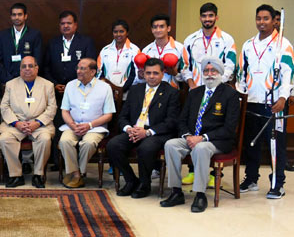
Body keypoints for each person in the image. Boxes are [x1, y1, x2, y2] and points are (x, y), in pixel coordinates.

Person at [161, 56, 239, 213]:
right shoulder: (195, 93)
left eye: (213, 70)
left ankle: (200, 195)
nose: (209, 74)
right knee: (170, 145)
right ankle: (176, 192)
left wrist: (202, 138)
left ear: (220, 73)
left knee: (201, 148)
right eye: (206, 71)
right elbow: (182, 120)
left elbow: (229, 128)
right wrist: (188, 136)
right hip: (192, 137)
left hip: (216, 140)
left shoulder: (230, 95)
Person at [236, 4, 293, 199]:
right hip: (252, 101)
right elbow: (242, 74)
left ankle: (278, 183)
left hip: (274, 103)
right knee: (251, 143)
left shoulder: (283, 45)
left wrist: (283, 98)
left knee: (275, 144)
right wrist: (240, 96)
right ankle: (251, 178)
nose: (261, 22)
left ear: (274, 20)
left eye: (266, 18)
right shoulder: (248, 45)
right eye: (258, 18)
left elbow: (288, 74)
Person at [179, 2, 237, 186]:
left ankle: (211, 174)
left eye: (211, 16)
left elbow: (231, 64)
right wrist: (191, 84)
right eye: (204, 16)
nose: (207, 19)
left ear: (216, 17)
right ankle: (192, 171)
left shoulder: (227, 39)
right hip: (196, 92)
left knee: (212, 127)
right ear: (200, 18)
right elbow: (184, 65)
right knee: (194, 126)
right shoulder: (191, 39)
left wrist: (219, 85)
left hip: (217, 91)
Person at [107, 58, 179, 198]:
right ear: (143, 74)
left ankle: (144, 185)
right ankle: (131, 180)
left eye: (155, 73)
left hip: (156, 132)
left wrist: (147, 132)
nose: (151, 77)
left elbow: (171, 121)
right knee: (113, 145)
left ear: (163, 74)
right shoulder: (135, 90)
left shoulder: (171, 92)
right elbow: (123, 116)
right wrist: (128, 129)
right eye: (148, 73)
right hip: (134, 129)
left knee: (145, 148)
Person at [0, 56, 57, 188]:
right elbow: (4, 107)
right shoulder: (10, 84)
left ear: (37, 68)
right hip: (16, 123)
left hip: (40, 124)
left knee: (45, 139)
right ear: (19, 69)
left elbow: (52, 108)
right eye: (23, 66)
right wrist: (16, 123)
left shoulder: (47, 85)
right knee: (5, 139)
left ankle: (38, 174)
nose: (27, 69)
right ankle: (16, 175)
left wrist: (37, 122)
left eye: (30, 66)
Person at [59, 58, 115, 188]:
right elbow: (65, 111)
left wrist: (89, 125)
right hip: (73, 125)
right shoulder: (70, 85)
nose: (78, 71)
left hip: (95, 127)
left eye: (82, 69)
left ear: (93, 72)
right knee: (64, 141)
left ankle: (78, 172)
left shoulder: (105, 88)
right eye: (77, 68)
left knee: (88, 143)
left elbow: (108, 115)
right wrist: (73, 125)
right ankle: (76, 173)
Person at [44, 10, 97, 92]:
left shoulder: (86, 42)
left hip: (80, 89)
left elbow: (91, 67)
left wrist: (75, 85)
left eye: (69, 23)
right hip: (57, 90)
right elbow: (46, 68)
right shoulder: (53, 43)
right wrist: (54, 84)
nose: (65, 26)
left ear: (75, 25)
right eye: (62, 23)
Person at [0, 3, 43, 85]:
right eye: (14, 15)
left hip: (28, 79)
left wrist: (27, 76)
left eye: (20, 14)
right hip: (7, 80)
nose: (16, 17)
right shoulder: (2, 35)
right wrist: (6, 78)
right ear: (11, 17)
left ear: (25, 16)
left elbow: (37, 59)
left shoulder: (35, 34)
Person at [140, 14, 185, 89]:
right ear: (151, 29)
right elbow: (142, 78)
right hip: (151, 93)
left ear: (168, 28)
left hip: (173, 93)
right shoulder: (146, 50)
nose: (158, 30)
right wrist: (140, 75)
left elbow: (186, 77)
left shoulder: (180, 48)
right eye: (155, 27)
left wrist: (175, 73)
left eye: (161, 26)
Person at [97, 19, 140, 93]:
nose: (118, 34)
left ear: (127, 33)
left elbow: (136, 73)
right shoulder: (105, 50)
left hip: (128, 93)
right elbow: (99, 73)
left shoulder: (135, 50)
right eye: (115, 32)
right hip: (108, 93)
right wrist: (110, 89)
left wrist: (122, 90)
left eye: (121, 31)